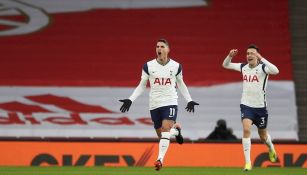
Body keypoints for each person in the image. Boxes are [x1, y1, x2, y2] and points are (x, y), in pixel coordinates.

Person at [119, 38, 199, 171]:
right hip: (155, 104)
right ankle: (176, 131)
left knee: (165, 129)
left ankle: (160, 160)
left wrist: (189, 100)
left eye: (162, 46)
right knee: (162, 135)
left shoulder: (176, 66)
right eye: (157, 47)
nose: (159, 49)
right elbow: (142, 85)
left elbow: (181, 84)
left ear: (168, 49)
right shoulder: (148, 66)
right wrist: (130, 99)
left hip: (170, 101)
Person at [222, 44, 279, 171]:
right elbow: (225, 65)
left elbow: (276, 71)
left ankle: (271, 148)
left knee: (263, 136)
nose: (249, 55)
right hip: (246, 105)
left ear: (257, 56)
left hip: (260, 108)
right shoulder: (243, 67)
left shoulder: (263, 68)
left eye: (252, 53)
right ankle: (248, 163)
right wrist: (229, 56)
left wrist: (262, 58)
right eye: (247, 53)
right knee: (246, 129)